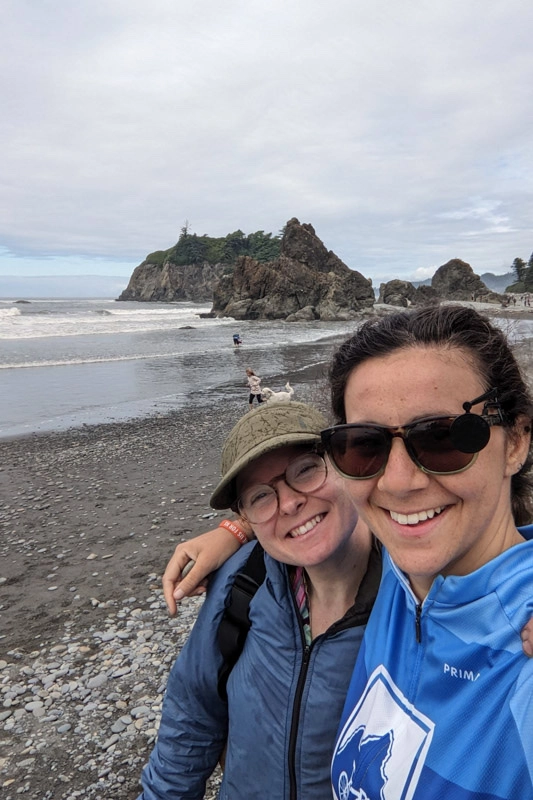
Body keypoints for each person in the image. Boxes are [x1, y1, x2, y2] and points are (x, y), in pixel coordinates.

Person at [322, 305, 533, 798]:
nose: (396, 483)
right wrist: (234, 529)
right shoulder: (395, 566)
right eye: (364, 445)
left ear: (517, 441)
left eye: (442, 437)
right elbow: (296, 518)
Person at [138, 402, 379, 799]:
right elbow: (192, 711)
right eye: (260, 496)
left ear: (343, 462)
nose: (288, 504)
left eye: (305, 469)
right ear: (245, 513)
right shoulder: (240, 584)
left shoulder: (417, 590)